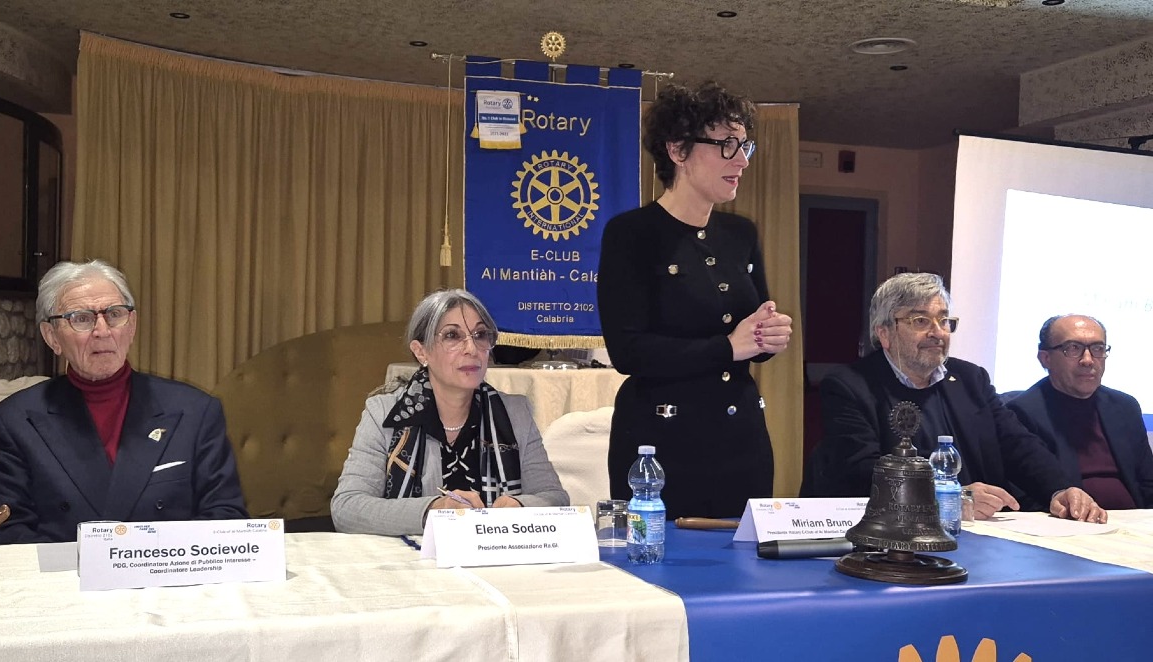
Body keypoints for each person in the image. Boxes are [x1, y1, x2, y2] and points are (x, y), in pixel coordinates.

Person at [596, 81, 793, 519]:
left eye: (745, 146)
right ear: (677, 150)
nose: (741, 160)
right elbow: (628, 352)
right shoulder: (631, 234)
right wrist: (729, 346)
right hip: (661, 444)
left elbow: (751, 339)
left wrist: (768, 336)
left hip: (742, 439)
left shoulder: (742, 234)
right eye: (726, 145)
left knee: (744, 574)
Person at [799, 272, 1106, 522]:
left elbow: (1017, 444)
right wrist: (945, 498)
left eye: (943, 320)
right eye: (920, 321)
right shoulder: (849, 385)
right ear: (885, 333)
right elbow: (862, 471)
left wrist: (1060, 489)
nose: (938, 332)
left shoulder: (970, 379)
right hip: (893, 536)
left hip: (982, 535)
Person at [0, 260, 248, 544]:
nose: (102, 330)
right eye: (81, 318)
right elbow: (11, 532)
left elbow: (226, 519)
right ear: (52, 337)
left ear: (131, 326)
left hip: (169, 581)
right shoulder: (15, 420)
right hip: (64, 583)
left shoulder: (196, 410)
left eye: (114, 314)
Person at [330, 289, 569, 536]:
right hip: (412, 565)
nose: (471, 348)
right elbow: (347, 509)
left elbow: (556, 498)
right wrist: (432, 510)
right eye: (453, 335)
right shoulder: (384, 414)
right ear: (421, 351)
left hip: (495, 563)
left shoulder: (514, 413)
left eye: (480, 335)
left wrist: (522, 506)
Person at [1007, 315, 1153, 509]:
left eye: (1098, 349)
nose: (1088, 360)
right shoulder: (1021, 412)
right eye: (1073, 348)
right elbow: (1029, 490)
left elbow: (1147, 481)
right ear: (1045, 358)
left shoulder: (1124, 406)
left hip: (1134, 524)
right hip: (1071, 524)